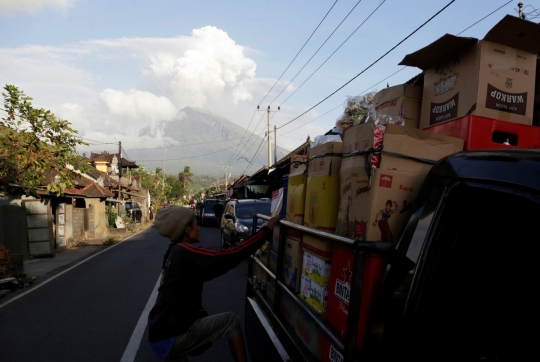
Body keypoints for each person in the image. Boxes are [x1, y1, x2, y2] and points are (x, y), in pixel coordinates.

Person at [148, 206, 281, 362]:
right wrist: (265, 231)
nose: (199, 228)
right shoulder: (185, 253)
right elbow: (231, 254)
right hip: (172, 335)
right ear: (186, 229)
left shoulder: (173, 251)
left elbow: (211, 268)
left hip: (159, 335)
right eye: (195, 225)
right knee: (231, 321)